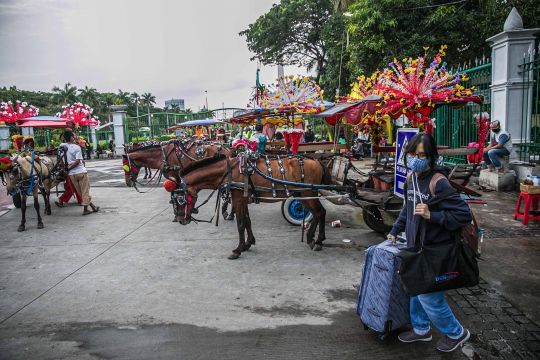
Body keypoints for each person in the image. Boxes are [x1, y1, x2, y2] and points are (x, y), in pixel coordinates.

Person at [387, 132, 472, 353]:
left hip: (436, 251)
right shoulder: (411, 178)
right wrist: (396, 230)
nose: (416, 158)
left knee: (430, 298)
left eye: (422, 155)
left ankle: (456, 332)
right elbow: (408, 207)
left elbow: (464, 216)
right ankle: (421, 329)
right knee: (415, 288)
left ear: (431, 157)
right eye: (413, 154)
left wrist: (432, 216)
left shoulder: (439, 182)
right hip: (416, 247)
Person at [63, 130, 100, 215]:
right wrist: (68, 168)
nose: (75, 136)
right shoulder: (76, 147)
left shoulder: (62, 146)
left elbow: (61, 159)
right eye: (74, 135)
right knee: (85, 192)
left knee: (81, 192)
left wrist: (66, 168)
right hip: (80, 172)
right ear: (71, 137)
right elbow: (77, 161)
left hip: (72, 174)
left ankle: (93, 206)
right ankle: (85, 210)